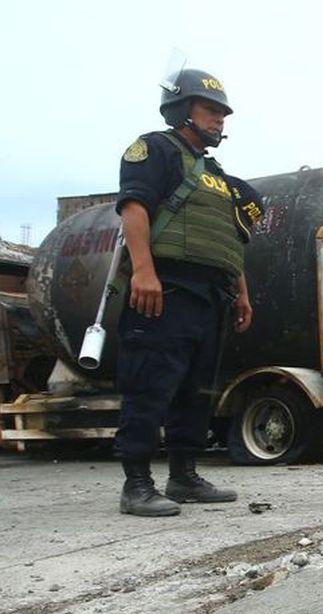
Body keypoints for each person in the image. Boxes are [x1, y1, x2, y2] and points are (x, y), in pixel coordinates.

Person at [114, 68, 260, 517]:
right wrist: (143, 271)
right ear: (182, 109)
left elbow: (230, 240)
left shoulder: (218, 176)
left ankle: (184, 476)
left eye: (223, 113)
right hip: (166, 288)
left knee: (196, 391)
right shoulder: (155, 150)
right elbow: (134, 208)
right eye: (211, 110)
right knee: (151, 386)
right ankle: (136, 484)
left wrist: (241, 292)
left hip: (211, 295)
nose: (220, 120)